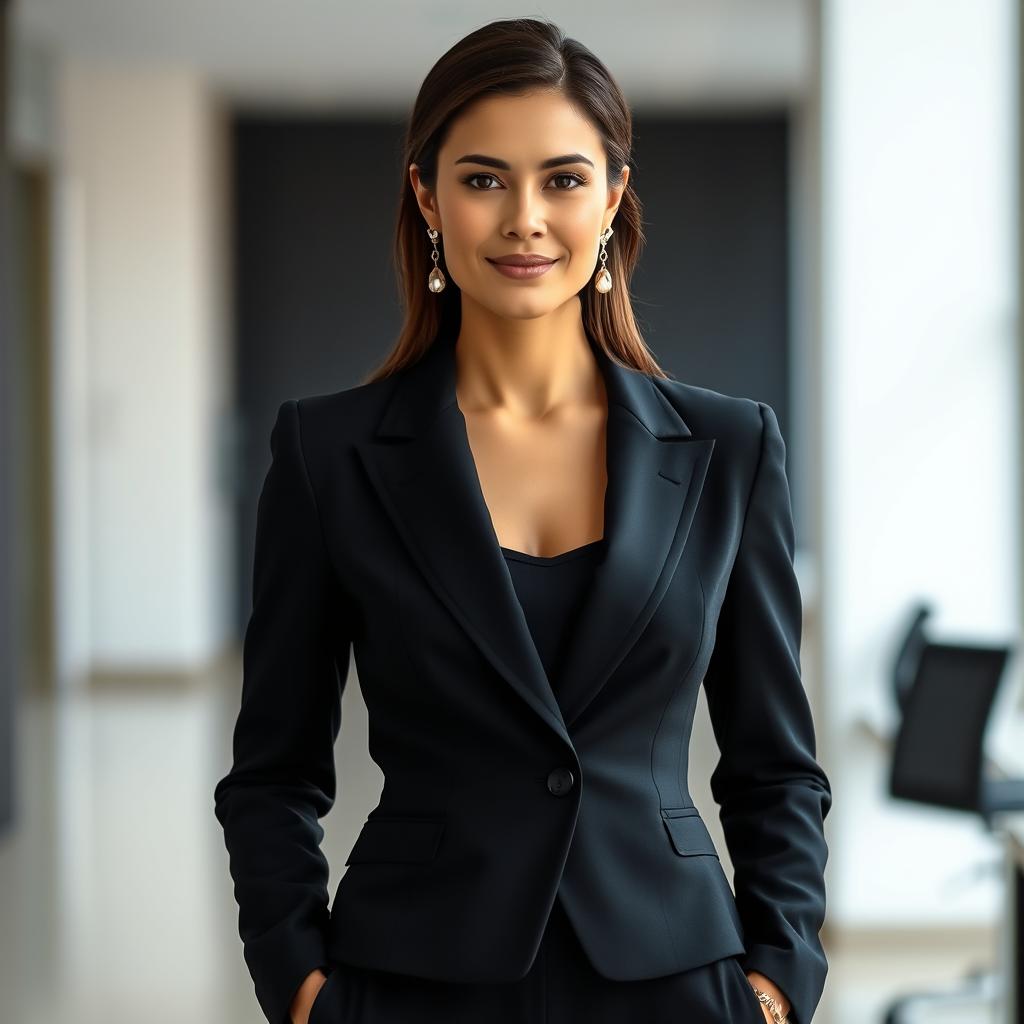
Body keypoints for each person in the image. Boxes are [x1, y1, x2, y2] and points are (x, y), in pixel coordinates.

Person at [213, 17, 831, 1024]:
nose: (525, 219)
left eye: (564, 179)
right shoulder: (327, 454)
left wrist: (778, 981)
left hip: (674, 979)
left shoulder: (730, 449)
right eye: (484, 178)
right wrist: (299, 983)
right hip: (411, 977)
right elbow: (274, 770)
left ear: (613, 196)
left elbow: (774, 766)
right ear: (427, 196)